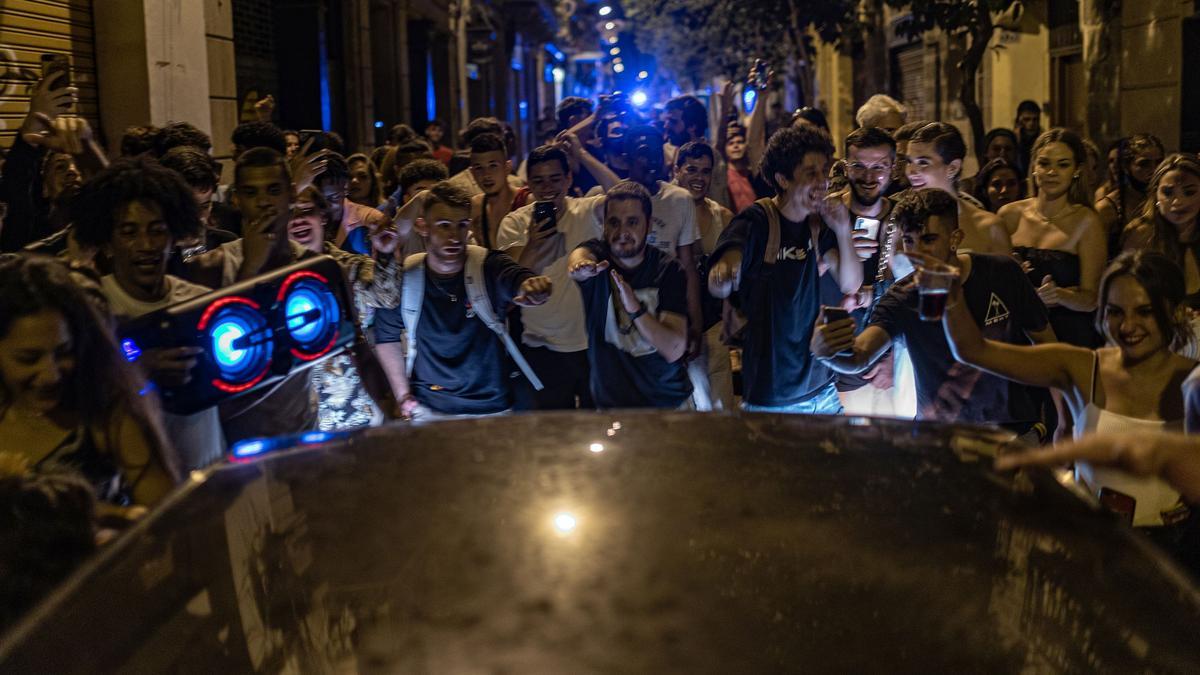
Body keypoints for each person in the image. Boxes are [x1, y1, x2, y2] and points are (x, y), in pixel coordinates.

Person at [938, 250, 1197, 560]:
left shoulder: (1193, 380)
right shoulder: (1081, 368)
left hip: (1174, 554)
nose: (1129, 325)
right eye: (1115, 312)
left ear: (1173, 311)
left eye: (1145, 311)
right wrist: (949, 295)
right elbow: (973, 350)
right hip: (1092, 545)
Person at [184, 148, 400, 443]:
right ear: (236, 200)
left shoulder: (320, 269)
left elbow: (357, 346)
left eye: (274, 191)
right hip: (237, 440)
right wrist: (251, 268)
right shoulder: (211, 269)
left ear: (290, 193)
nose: (263, 202)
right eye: (251, 192)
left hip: (306, 434)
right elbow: (211, 363)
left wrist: (391, 415)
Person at [811, 188, 1056, 432]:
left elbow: (1048, 347)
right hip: (941, 438)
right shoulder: (901, 297)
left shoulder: (1002, 273)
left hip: (1010, 430)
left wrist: (1063, 420)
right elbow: (859, 355)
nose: (917, 252)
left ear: (955, 239)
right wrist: (829, 351)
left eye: (928, 240)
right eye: (909, 240)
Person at [72, 157, 226, 471]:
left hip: (210, 485)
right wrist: (138, 372)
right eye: (129, 232)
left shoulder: (201, 303)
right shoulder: (89, 311)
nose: (146, 245)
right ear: (107, 242)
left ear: (174, 237)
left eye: (157, 231)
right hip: (138, 494)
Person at [708, 125, 865, 413]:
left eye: (824, 171)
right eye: (810, 173)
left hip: (822, 387)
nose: (822, 182)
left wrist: (842, 229)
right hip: (774, 397)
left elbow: (850, 284)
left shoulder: (818, 225)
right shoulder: (756, 221)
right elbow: (720, 276)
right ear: (782, 179)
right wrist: (726, 271)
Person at [0, 254, 178, 507]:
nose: (50, 375)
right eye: (28, 358)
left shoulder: (107, 411)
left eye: (63, 353)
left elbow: (167, 517)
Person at [372, 182, 552, 420]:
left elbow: (517, 277)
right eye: (444, 225)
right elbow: (385, 334)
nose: (454, 235)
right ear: (422, 226)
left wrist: (532, 286)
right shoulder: (408, 278)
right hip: (430, 409)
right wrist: (403, 395)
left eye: (462, 225)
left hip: (492, 408)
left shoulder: (488, 265)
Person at [495, 144, 612, 409]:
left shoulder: (587, 210)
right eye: (538, 180)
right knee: (555, 432)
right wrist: (534, 243)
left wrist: (581, 154)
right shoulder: (514, 223)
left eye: (555, 179)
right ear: (528, 183)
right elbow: (508, 281)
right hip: (541, 346)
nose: (547, 187)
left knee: (598, 426)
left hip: (593, 343)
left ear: (569, 178)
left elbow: (625, 194)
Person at [568, 181, 692, 408]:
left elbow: (674, 349)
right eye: (613, 222)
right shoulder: (598, 256)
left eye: (632, 222)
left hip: (667, 402)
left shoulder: (668, 269)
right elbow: (580, 256)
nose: (622, 232)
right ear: (604, 225)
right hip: (612, 404)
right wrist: (580, 266)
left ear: (649, 225)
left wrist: (635, 309)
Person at [1000, 128, 1106, 348]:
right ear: (1034, 168)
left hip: (1066, 336)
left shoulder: (1087, 222)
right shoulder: (1009, 215)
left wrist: (1059, 295)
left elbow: (1092, 299)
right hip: (1015, 335)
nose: (1052, 172)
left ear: (1076, 170)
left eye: (1063, 164)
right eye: (1045, 163)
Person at [620, 125, 705, 364]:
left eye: (657, 153)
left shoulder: (679, 199)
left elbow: (688, 265)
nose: (652, 160)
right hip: (626, 312)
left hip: (670, 308)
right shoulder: (611, 199)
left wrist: (696, 323)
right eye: (643, 153)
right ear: (627, 159)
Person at [673, 141, 734, 410]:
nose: (699, 178)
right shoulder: (659, 212)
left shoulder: (723, 217)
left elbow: (733, 274)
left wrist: (730, 314)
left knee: (719, 408)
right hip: (672, 326)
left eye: (705, 171)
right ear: (676, 170)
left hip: (712, 328)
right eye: (692, 169)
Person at [1120, 153, 1200, 351]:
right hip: (1151, 346)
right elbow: (1119, 299)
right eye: (1168, 192)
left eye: (1189, 192)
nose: (1177, 202)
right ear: (1155, 194)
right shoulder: (1141, 235)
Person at [904, 122, 1012, 254]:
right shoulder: (899, 223)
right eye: (909, 161)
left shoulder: (989, 227)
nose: (911, 171)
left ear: (953, 168)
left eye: (923, 163)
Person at [158, 145, 239, 255]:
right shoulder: (153, 250)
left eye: (205, 207)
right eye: (188, 208)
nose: (199, 218)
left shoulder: (226, 245)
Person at [1096, 133, 1165, 257]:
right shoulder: (1107, 209)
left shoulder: (1165, 201)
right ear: (1126, 166)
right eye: (1144, 164)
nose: (1154, 169)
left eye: (1158, 162)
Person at [316, 152, 390, 255]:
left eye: (333, 198)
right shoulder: (303, 221)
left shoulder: (369, 220)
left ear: (345, 187)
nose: (325, 207)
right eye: (318, 200)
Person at [467, 133, 518, 249]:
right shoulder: (474, 207)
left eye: (493, 166)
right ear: (472, 173)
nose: (486, 175)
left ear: (507, 167)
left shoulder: (526, 201)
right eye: (479, 168)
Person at [1014, 100, 1042, 175]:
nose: (1031, 123)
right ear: (1019, 120)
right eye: (1027, 119)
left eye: (1035, 119)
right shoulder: (1013, 139)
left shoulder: (1044, 140)